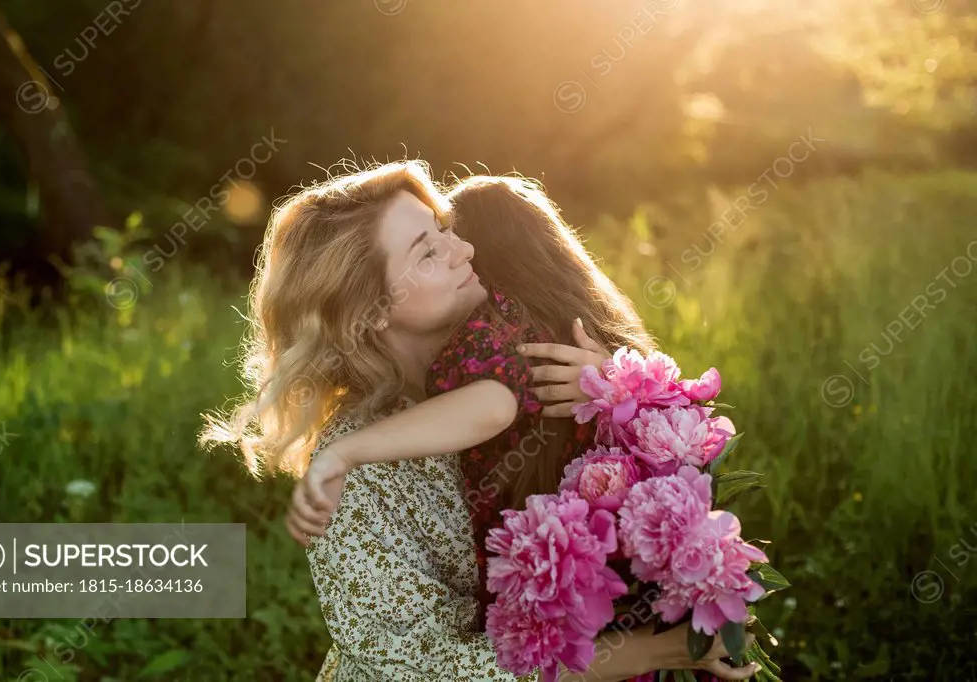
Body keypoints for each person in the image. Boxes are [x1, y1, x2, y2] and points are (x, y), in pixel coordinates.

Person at [203, 160, 759, 681]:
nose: (464, 248)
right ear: (372, 309)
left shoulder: (522, 358)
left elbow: (674, 463)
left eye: (445, 228)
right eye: (426, 253)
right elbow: (436, 669)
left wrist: (614, 394)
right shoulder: (357, 477)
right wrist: (668, 648)